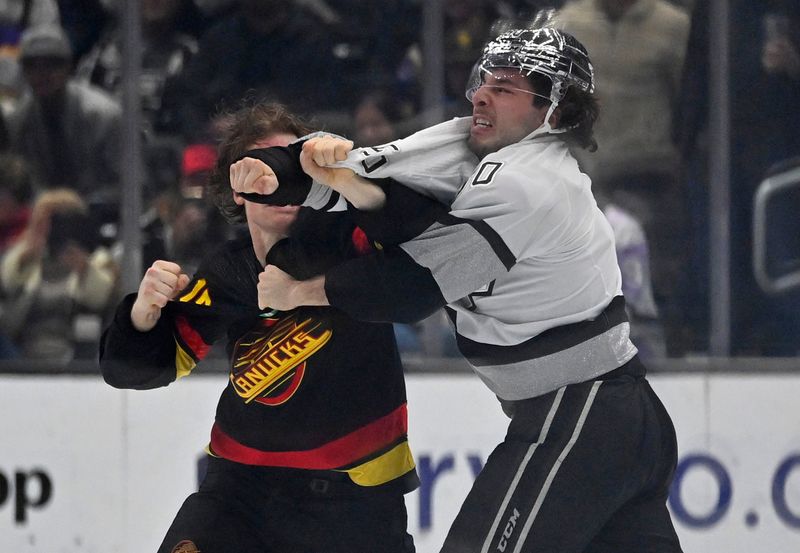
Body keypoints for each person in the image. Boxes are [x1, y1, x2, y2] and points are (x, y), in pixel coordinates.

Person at [232, 26, 683, 552]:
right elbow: (391, 193)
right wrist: (279, 172)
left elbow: (415, 285)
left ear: (553, 112)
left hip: (582, 417)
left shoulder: (531, 183)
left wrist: (301, 293)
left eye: (508, 87)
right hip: (616, 417)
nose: (483, 95)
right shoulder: (476, 144)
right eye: (484, 80)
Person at [98, 102, 419, 553]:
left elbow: (414, 256)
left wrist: (354, 181)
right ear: (236, 191)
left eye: (291, 166)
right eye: (262, 169)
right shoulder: (227, 272)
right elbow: (133, 371)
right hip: (239, 494)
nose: (279, 180)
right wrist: (142, 315)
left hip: (353, 503)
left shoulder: (352, 239)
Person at [556, 0, 692, 355]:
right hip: (580, 176)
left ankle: (668, 359)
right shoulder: (569, 22)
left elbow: (691, 104)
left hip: (649, 176)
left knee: (657, 282)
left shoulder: (673, 26)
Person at [0, 187, 118, 361]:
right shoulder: (24, 257)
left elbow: (100, 297)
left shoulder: (98, 260)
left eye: (57, 221)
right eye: (44, 222)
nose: (51, 228)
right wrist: (29, 253)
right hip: (19, 352)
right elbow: (7, 283)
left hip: (77, 354)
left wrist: (82, 267)